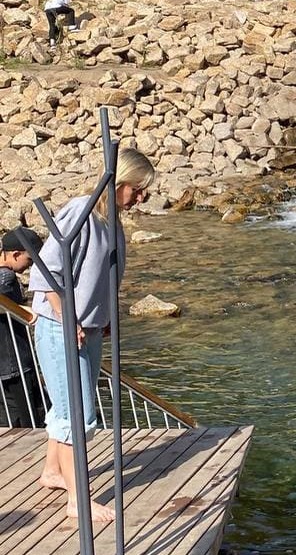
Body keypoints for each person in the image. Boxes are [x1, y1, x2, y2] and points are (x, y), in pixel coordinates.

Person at [32, 149, 155, 523]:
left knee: (65, 407)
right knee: (78, 415)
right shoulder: (83, 213)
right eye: (137, 190)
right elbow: (46, 271)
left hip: (88, 325)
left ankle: (53, 471)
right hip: (60, 326)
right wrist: (67, 317)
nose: (142, 198)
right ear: (118, 185)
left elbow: (100, 277)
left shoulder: (112, 220)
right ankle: (77, 500)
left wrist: (101, 317)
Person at [1, 226, 46, 429]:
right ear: (16, 254)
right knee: (30, 418)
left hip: (6, 364)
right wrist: (27, 313)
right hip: (16, 362)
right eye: (29, 260)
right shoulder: (7, 277)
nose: (29, 267)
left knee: (9, 419)